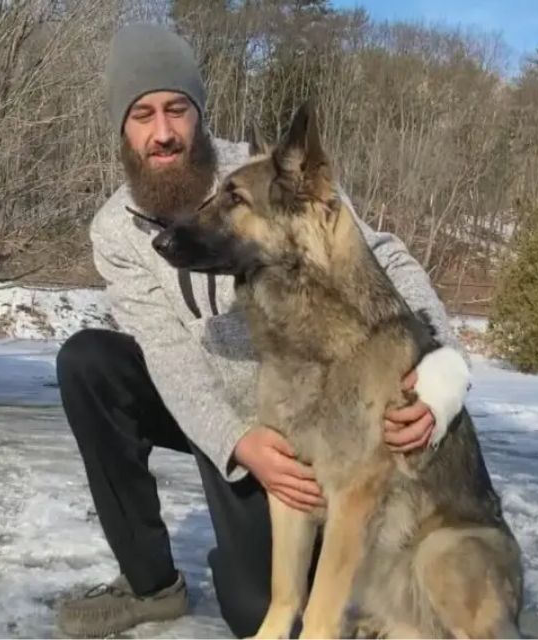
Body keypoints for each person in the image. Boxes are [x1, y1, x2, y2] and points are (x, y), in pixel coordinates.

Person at [54, 22, 471, 639]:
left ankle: (368, 545)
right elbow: (167, 352)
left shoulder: (273, 176)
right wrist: (236, 440)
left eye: (176, 109)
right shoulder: (114, 230)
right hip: (218, 413)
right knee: (88, 362)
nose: (163, 132)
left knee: (254, 610)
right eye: (142, 114)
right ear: (123, 129)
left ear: (199, 113)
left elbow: (382, 256)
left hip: (301, 406)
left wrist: (446, 366)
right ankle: (152, 586)